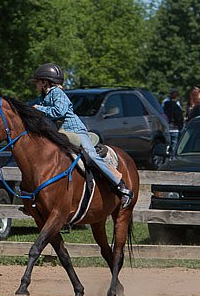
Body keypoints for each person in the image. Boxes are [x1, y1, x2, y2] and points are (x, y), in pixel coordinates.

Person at [30, 63, 134, 209]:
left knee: (92, 156)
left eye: (37, 83)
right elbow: (29, 106)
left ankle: (121, 186)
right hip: (62, 133)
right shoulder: (43, 97)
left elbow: (59, 111)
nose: (36, 86)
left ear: (45, 82)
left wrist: (38, 108)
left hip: (76, 131)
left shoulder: (57, 93)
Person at [161, 88, 184, 152]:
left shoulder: (165, 104)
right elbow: (179, 117)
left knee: (167, 145)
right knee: (174, 145)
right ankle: (172, 158)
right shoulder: (176, 105)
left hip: (167, 128)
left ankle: (166, 157)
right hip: (175, 128)